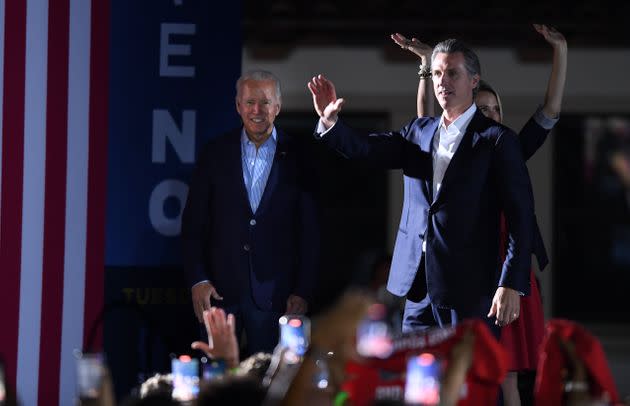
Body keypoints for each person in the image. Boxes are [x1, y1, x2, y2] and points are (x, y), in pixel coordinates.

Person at [308, 38, 535, 339]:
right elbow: (368, 149)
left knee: (469, 382)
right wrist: (330, 123)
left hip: (470, 286)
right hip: (417, 287)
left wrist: (510, 284)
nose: (443, 82)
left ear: (474, 81)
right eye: (438, 74)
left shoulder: (497, 139)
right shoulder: (419, 131)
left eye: (453, 73)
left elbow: (521, 217)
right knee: (415, 379)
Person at [392, 24, 568, 406]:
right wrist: (425, 65)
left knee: (503, 373)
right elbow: (424, 120)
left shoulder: (507, 147)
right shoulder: (451, 144)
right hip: (465, 269)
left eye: (493, 110)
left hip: (507, 273)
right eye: (482, 109)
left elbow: (550, 111)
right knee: (452, 370)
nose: (486, 114)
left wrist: (561, 52)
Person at [181, 70, 320, 356]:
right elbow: (194, 224)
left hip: (277, 298)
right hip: (219, 294)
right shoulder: (214, 153)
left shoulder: (300, 156)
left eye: (265, 102)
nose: (257, 111)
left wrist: (303, 290)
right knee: (216, 384)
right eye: (249, 102)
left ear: (278, 107)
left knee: (271, 386)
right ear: (238, 106)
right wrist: (198, 279)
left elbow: (311, 231)